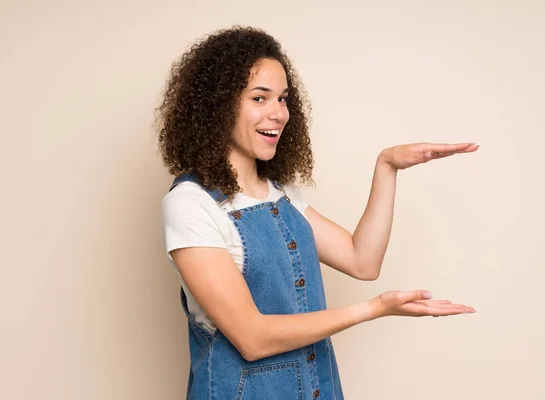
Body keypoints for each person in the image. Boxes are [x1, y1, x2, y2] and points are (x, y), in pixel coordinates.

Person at [157, 26, 478, 400]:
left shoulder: (282, 196)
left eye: (282, 98)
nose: (278, 113)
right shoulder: (191, 205)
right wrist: (375, 309)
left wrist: (387, 166)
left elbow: (363, 261)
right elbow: (252, 338)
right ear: (217, 106)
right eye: (259, 98)